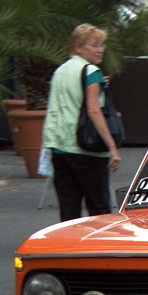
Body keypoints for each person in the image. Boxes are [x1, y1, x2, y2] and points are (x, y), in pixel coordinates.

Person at [42, 23, 121, 222]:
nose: (100, 49)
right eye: (94, 45)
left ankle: (69, 249)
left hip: (60, 147)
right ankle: (97, 250)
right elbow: (94, 111)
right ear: (78, 47)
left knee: (69, 207)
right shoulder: (92, 72)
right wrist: (112, 146)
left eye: (101, 45)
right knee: (99, 207)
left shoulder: (60, 71)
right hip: (87, 149)